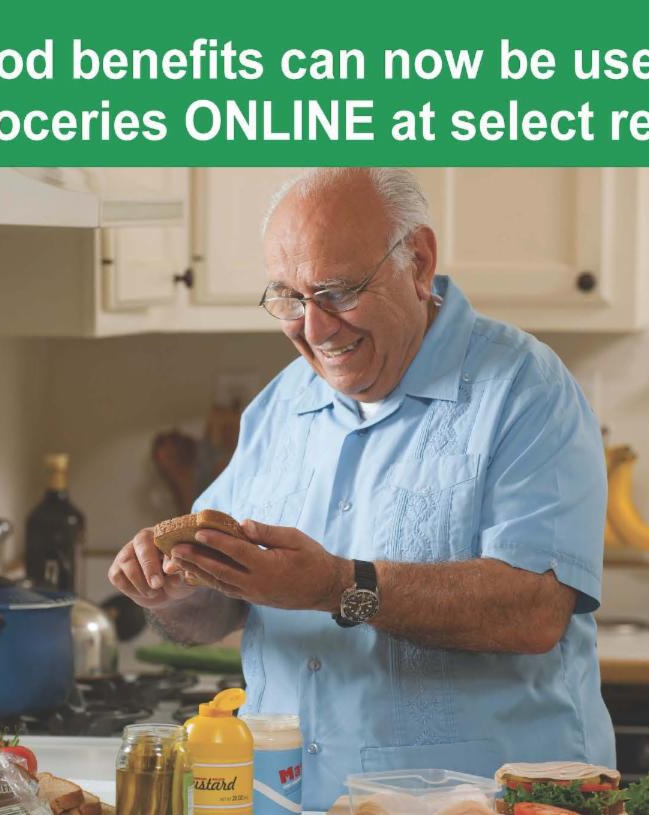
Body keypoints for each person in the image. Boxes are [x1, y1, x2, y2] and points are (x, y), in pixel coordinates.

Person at [108, 168, 614, 809]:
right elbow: (221, 612)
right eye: (289, 298)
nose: (314, 329)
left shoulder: (523, 388)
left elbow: (535, 610)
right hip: (292, 799)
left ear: (419, 262)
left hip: (489, 801)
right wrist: (177, 593)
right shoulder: (280, 406)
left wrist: (337, 586)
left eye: (339, 292)